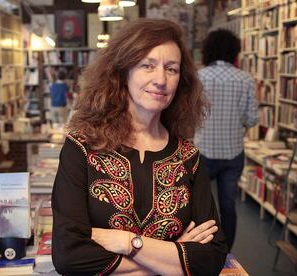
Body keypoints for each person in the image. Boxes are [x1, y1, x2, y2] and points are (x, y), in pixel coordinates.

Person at [52, 19, 228, 275]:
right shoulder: (81, 148)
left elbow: (212, 257)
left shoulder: (188, 157)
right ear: (123, 72)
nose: (160, 80)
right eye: (147, 65)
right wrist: (172, 257)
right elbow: (69, 257)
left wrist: (128, 243)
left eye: (172, 69)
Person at [194, 29, 259, 251]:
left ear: (208, 50)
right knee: (228, 205)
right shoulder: (246, 79)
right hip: (233, 154)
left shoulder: (199, 78)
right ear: (234, 51)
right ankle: (226, 252)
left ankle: (200, 250)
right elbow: (252, 119)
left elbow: (188, 116)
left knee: (199, 205)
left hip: (203, 152)